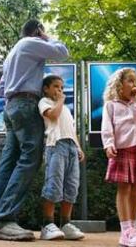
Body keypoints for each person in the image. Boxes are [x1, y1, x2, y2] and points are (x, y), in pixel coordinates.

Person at [0, 19, 69, 241]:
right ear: (37, 31)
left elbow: (2, 88)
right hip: (25, 105)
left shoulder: (12, 54)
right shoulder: (31, 42)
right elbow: (62, 52)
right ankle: (3, 219)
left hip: (11, 107)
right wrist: (47, 37)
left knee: (8, 163)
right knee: (30, 159)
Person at [101, 67, 136, 247]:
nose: (134, 85)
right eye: (130, 81)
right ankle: (126, 231)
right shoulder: (111, 105)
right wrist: (108, 144)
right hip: (122, 149)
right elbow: (106, 127)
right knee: (124, 188)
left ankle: (133, 228)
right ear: (119, 84)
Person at [38, 75, 85, 241]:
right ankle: (47, 224)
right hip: (56, 146)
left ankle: (65, 223)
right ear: (46, 88)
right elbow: (53, 116)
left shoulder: (65, 108)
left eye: (62, 88)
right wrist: (61, 100)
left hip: (71, 146)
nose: (60, 90)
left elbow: (72, 129)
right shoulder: (45, 102)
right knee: (54, 184)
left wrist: (78, 147)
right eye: (56, 87)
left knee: (72, 186)